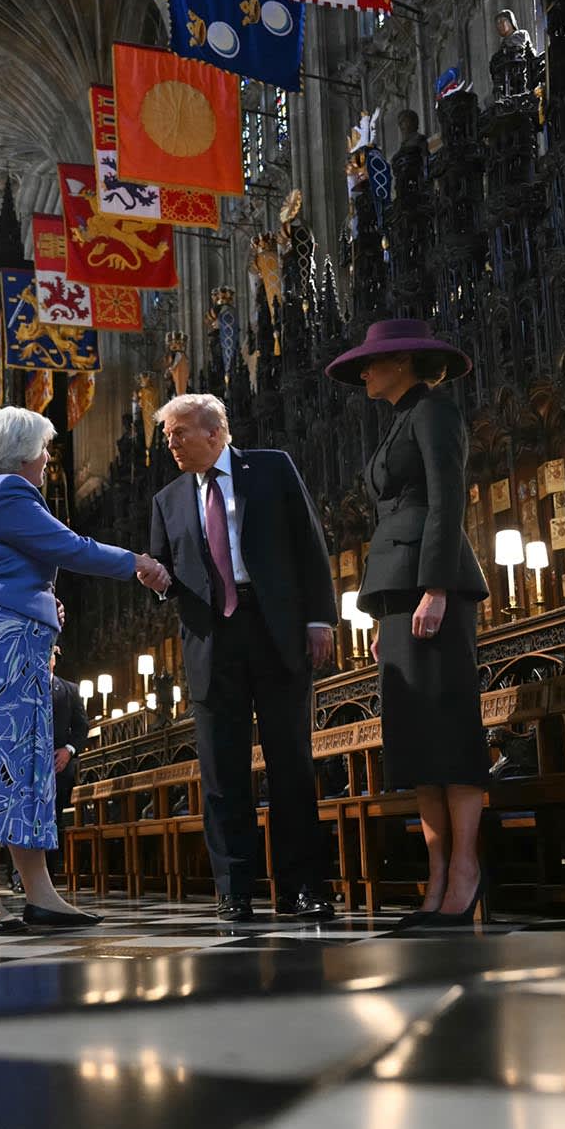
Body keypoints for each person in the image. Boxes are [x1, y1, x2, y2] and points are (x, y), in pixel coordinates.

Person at [0, 406, 169, 932]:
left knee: (22, 769)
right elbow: (67, 547)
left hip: (4, 640)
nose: (49, 460)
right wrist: (136, 563)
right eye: (44, 450)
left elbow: (13, 567)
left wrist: (39, 604)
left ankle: (40, 893)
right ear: (23, 453)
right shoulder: (6, 492)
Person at [146, 394, 337, 923]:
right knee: (221, 772)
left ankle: (303, 887)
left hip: (274, 628)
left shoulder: (271, 468)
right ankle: (235, 888)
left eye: (179, 433)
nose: (172, 443)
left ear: (215, 432)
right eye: (168, 436)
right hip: (211, 639)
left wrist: (320, 618)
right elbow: (165, 575)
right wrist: (155, 581)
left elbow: (309, 542)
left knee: (290, 762)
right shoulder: (168, 499)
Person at [325, 319, 491, 927]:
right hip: (398, 592)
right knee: (417, 740)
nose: (364, 372)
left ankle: (467, 868)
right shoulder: (400, 419)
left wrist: (436, 587)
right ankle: (439, 872)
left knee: (448, 727)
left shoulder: (435, 412)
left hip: (432, 585)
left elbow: (449, 498)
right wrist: (385, 607)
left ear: (403, 362)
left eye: (373, 363)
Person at [46, 645, 86, 878]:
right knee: (23, 819)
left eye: (49, 654)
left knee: (53, 819)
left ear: (54, 659)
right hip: (28, 765)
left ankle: (49, 876)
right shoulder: (23, 688)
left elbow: (81, 728)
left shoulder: (69, 690)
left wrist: (68, 750)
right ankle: (19, 876)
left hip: (58, 766)